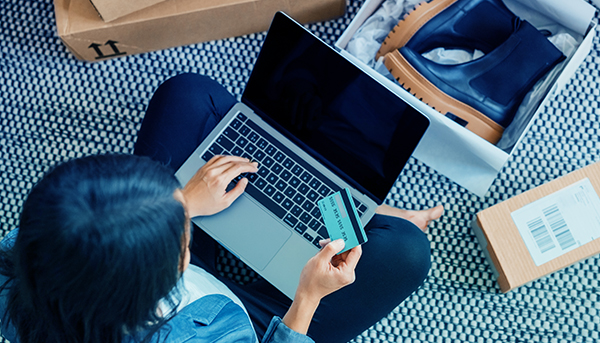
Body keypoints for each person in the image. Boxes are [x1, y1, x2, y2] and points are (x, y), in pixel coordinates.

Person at [0, 73, 443, 343]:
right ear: (152, 291)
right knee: (407, 251)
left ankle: (354, 202)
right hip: (248, 317)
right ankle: (376, 214)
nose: (180, 208)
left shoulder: (21, 261)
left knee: (188, 93)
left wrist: (184, 201)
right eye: (179, 238)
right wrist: (307, 298)